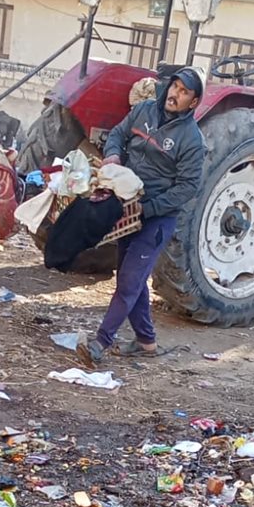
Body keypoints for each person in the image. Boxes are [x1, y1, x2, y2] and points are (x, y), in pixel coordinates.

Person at [77, 67, 205, 366]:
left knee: (129, 282)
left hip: (155, 219)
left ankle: (100, 342)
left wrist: (150, 208)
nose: (175, 94)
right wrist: (113, 154)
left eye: (184, 92)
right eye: (174, 87)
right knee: (131, 278)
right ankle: (147, 342)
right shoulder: (145, 110)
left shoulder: (192, 140)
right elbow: (118, 134)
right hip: (128, 207)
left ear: (193, 102)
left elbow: (188, 188)